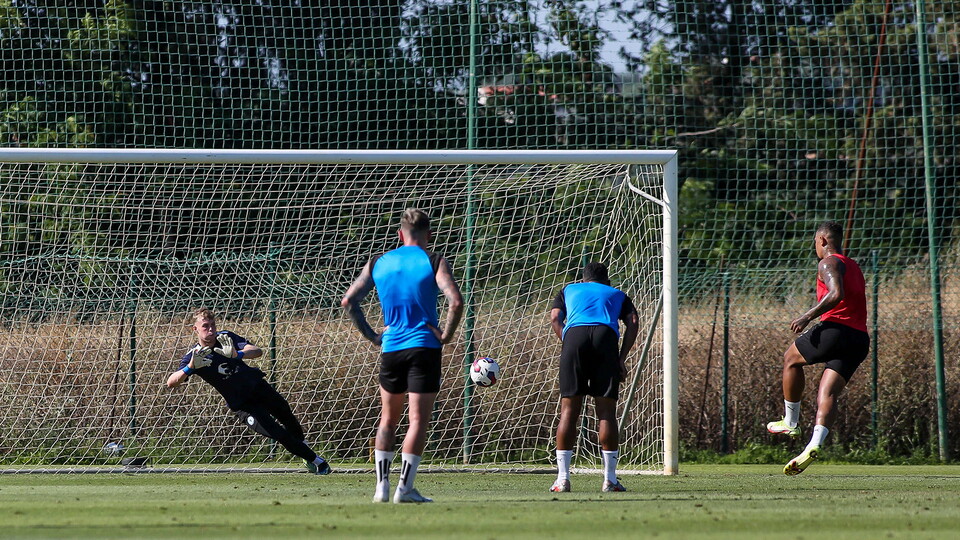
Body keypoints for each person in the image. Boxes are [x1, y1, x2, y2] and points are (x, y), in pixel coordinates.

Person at [341, 208, 463, 504]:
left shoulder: (378, 262)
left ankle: (381, 487)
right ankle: (404, 489)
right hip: (424, 347)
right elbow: (456, 301)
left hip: (391, 347)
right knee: (418, 420)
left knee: (388, 419)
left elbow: (349, 300)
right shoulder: (433, 260)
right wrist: (445, 335)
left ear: (400, 234)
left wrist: (372, 336)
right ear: (429, 234)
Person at [165, 308, 331, 475]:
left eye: (213, 325)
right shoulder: (195, 356)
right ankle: (317, 462)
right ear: (195, 329)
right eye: (205, 326)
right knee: (275, 431)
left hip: (258, 387)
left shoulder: (225, 338)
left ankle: (304, 449)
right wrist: (190, 367)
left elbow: (257, 351)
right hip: (242, 405)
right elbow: (171, 382)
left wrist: (238, 354)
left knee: (286, 414)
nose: (210, 330)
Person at [766, 221, 870, 475]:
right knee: (828, 392)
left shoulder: (828, 262)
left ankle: (790, 422)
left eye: (815, 242)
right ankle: (813, 445)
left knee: (791, 358)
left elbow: (835, 294)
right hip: (859, 339)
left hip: (835, 330)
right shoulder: (853, 265)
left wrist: (807, 316)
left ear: (822, 240)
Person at [548, 262, 639, 493]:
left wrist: (567, 340)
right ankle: (609, 480)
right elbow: (634, 322)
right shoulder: (617, 294)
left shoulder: (569, 289)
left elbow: (555, 317)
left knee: (569, 410)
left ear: (584, 279)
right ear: (606, 281)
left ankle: (563, 480)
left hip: (574, 337)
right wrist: (621, 357)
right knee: (606, 412)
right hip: (605, 338)